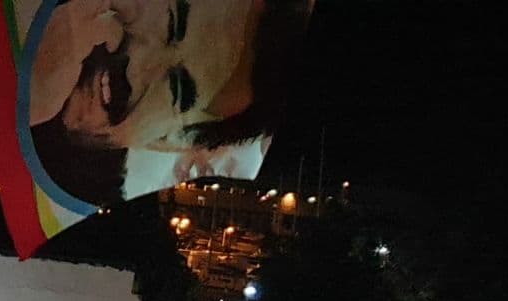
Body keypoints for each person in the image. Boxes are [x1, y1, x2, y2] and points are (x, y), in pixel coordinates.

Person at [27, 0, 312, 204]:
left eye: (177, 90)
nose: (135, 65)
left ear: (169, 144)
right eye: (170, 23)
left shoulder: (55, 197)